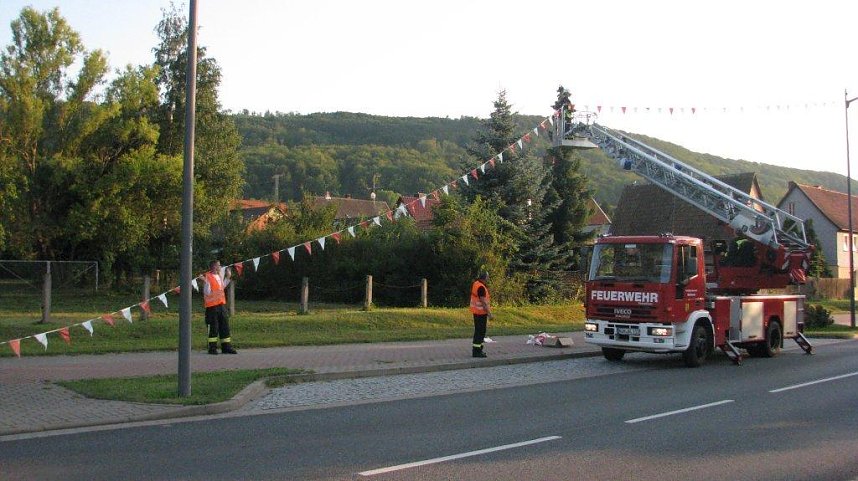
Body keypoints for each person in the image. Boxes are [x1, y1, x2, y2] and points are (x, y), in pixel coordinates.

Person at [203, 260, 237, 354]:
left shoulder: (219, 276)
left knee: (224, 326)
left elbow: (222, 287)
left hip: (221, 305)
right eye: (219, 265)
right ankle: (212, 348)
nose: (220, 267)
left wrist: (228, 277)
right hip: (212, 307)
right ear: (214, 267)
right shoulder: (208, 277)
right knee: (213, 327)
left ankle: (226, 347)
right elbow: (207, 292)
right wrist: (206, 283)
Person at [469, 271, 492, 358]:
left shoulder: (476, 284)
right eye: (488, 277)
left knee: (479, 331)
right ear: (485, 278)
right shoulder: (481, 287)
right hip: (481, 313)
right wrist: (489, 314)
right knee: (480, 332)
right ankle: (477, 352)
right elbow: (483, 302)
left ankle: (478, 350)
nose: (488, 279)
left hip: (476, 312)